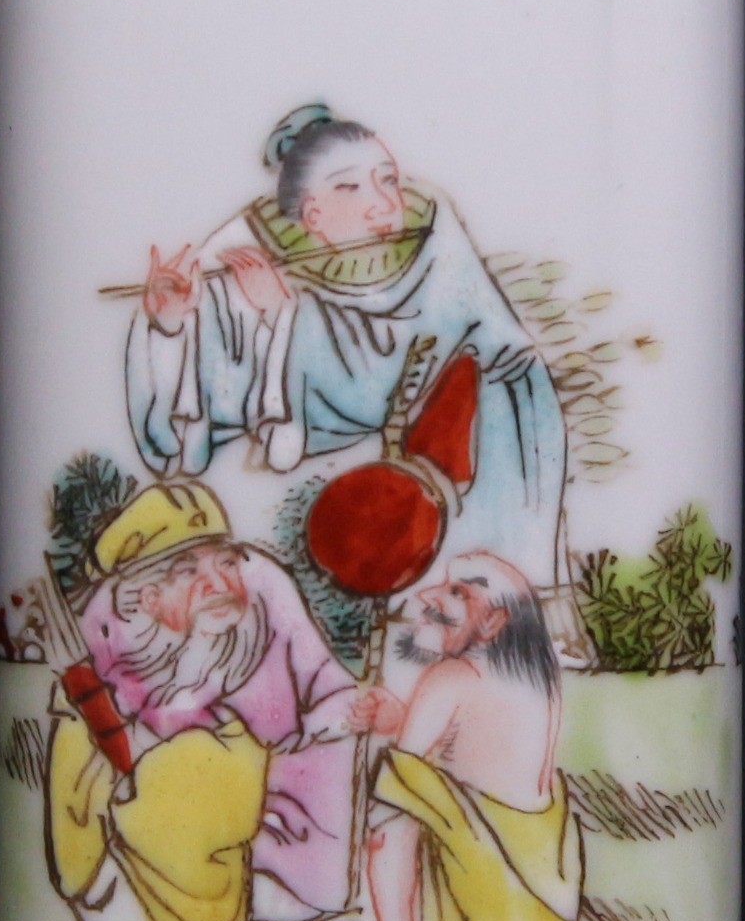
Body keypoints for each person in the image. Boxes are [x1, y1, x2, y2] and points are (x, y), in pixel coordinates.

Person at [125, 105, 566, 591]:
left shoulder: (435, 240)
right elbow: (177, 444)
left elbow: (505, 353)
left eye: (389, 180)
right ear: (312, 213)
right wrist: (172, 325)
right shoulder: (242, 262)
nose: (383, 204)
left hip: (424, 489)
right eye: (349, 187)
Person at [241, 553, 603, 921]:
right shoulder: (538, 684)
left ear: (494, 622)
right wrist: (400, 718)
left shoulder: (449, 680)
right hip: (522, 906)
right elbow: (475, 761)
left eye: (459, 592)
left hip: (451, 904)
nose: (431, 596)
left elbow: (394, 824)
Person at [45, 484, 359, 921]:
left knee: (222, 760)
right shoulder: (111, 631)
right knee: (91, 739)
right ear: (148, 596)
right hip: (153, 816)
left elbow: (329, 688)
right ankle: (115, 885)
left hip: (276, 818)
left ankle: (253, 889)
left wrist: (349, 714)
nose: (219, 584)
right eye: (188, 572)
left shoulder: (265, 598)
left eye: (226, 563)